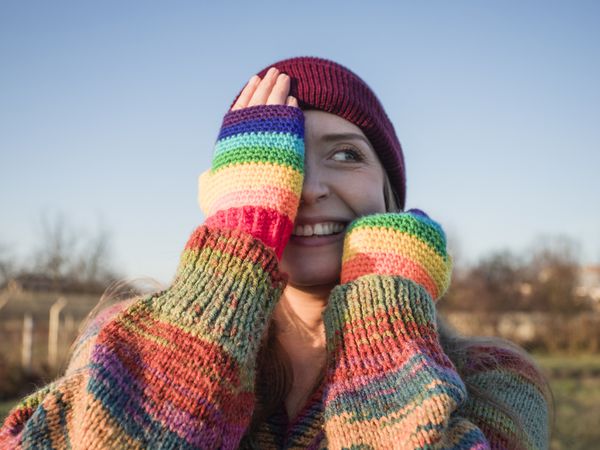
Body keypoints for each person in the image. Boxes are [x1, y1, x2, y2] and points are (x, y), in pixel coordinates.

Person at [0, 56, 552, 449]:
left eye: (344, 153)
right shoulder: (122, 342)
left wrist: (384, 310)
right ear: (235, 192)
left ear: (389, 196)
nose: (307, 188)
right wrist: (233, 252)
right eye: (278, 158)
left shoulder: (495, 378)